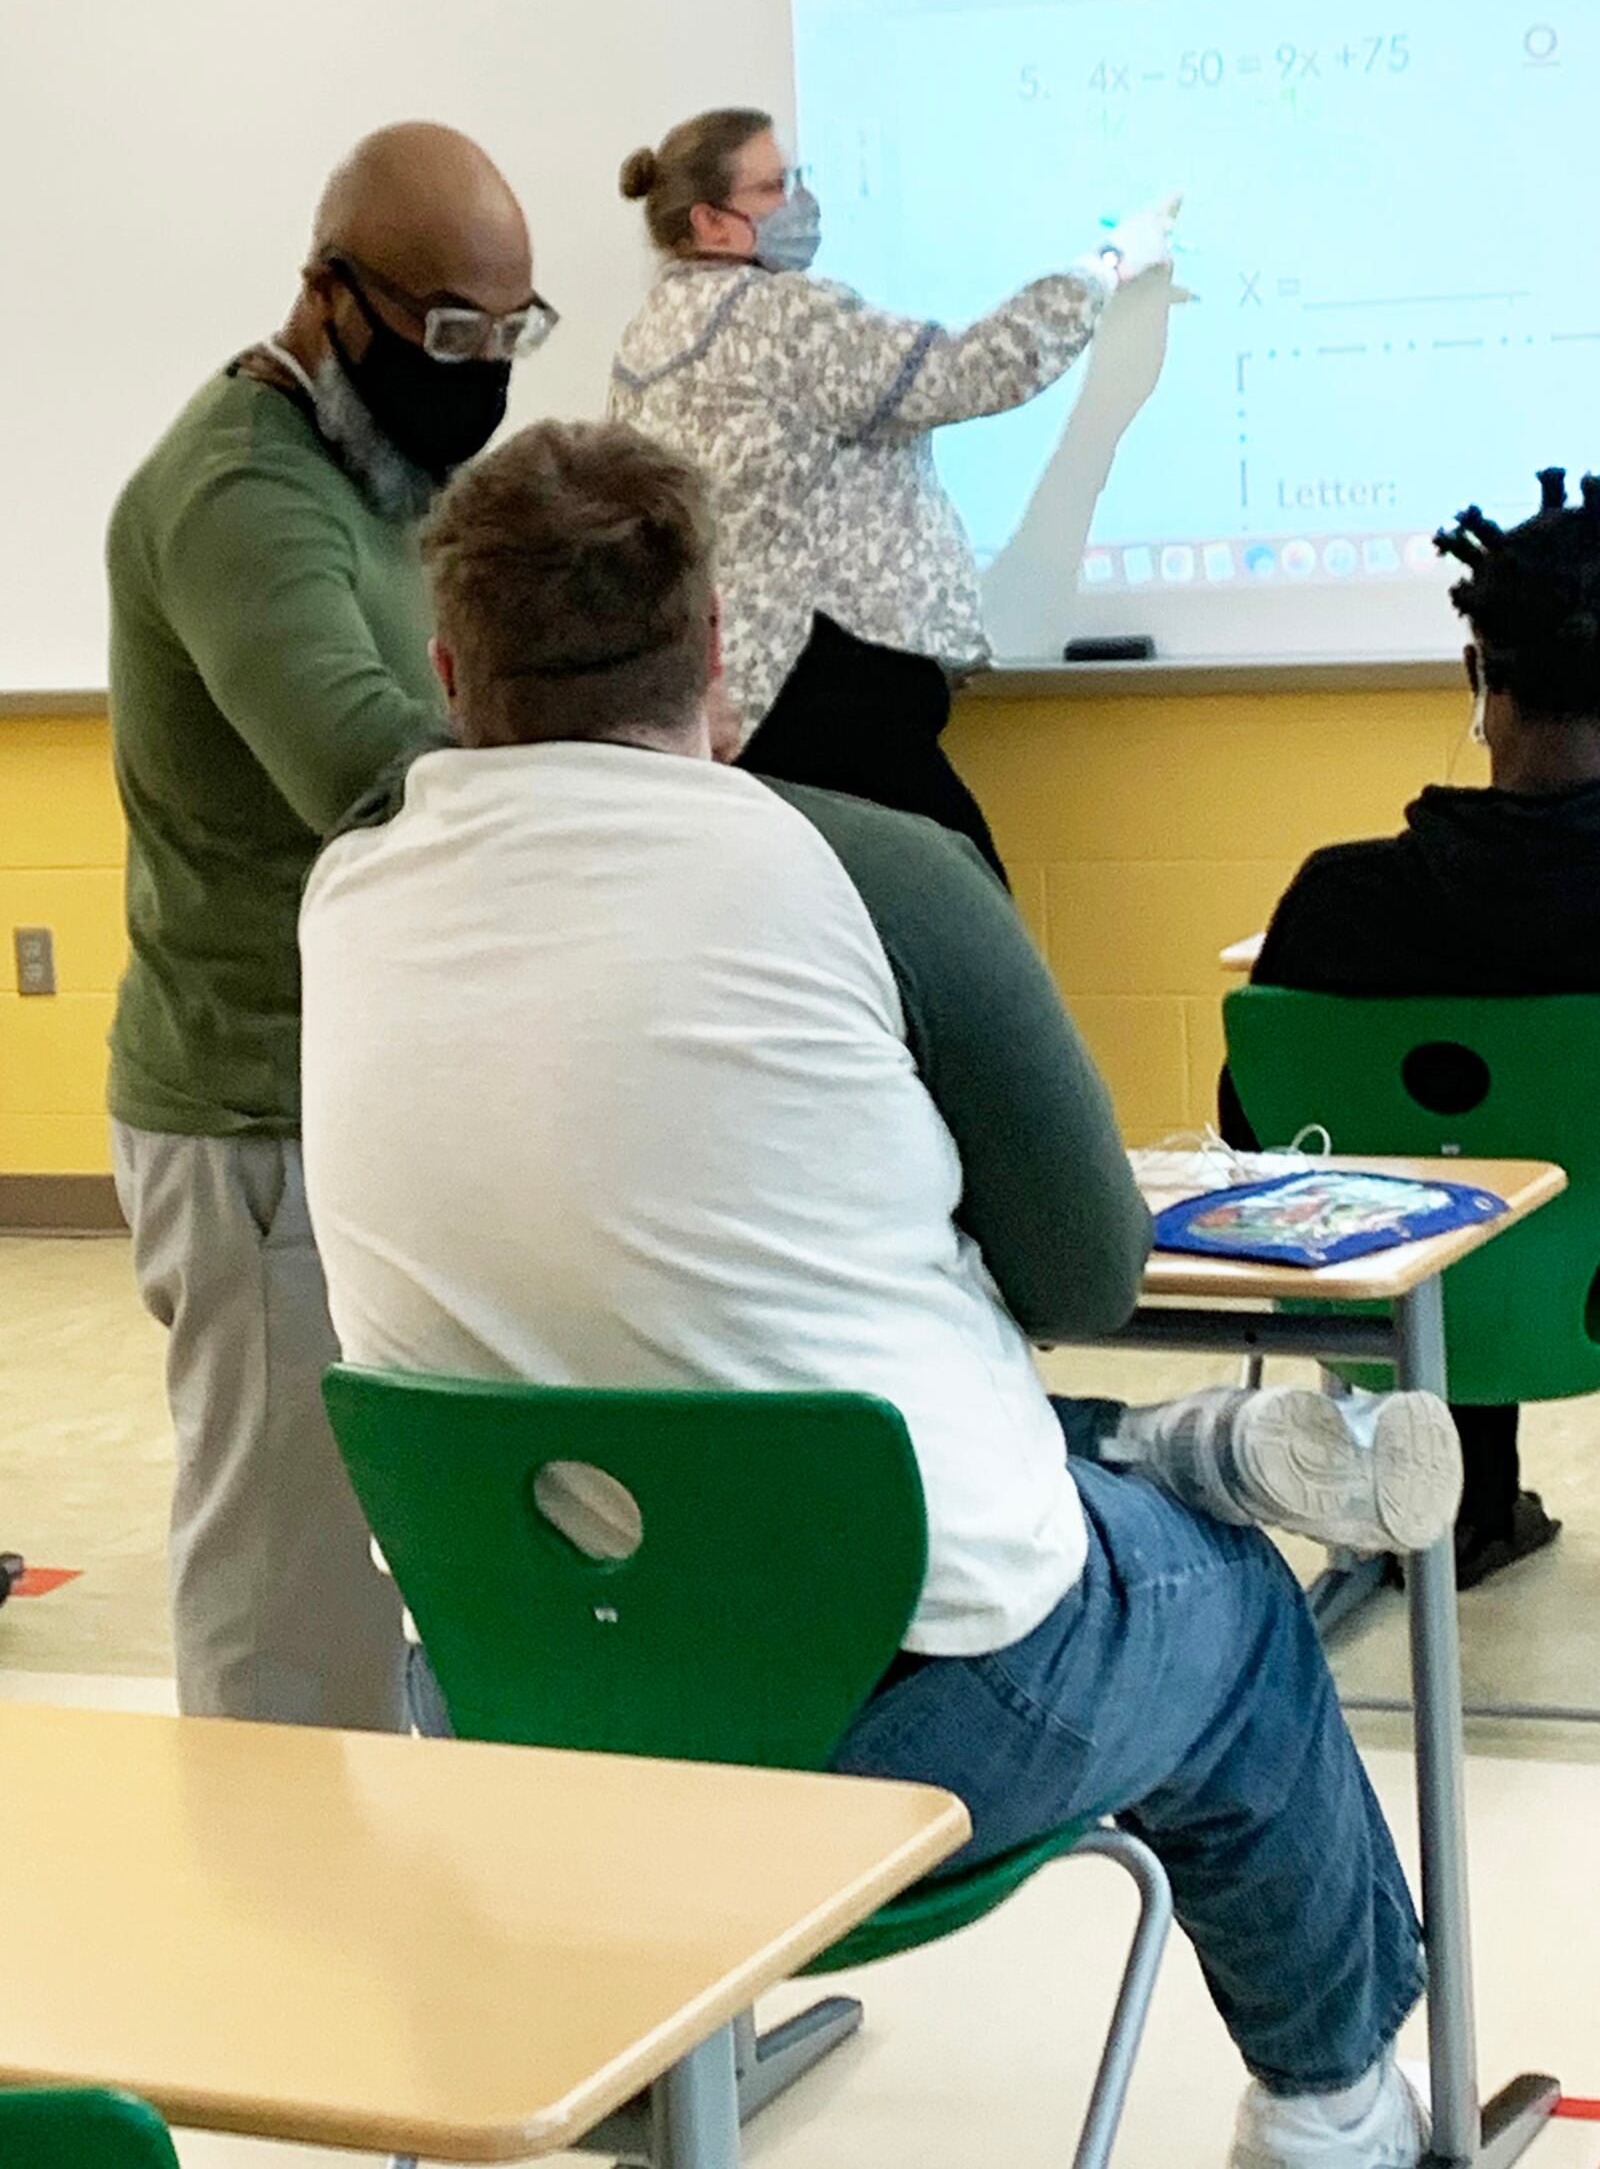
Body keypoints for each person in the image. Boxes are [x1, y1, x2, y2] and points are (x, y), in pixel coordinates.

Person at [299, 419, 1463, 2166]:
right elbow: (1084, 1267)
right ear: (715, 657)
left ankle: (1158, 1457)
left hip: (522, 1705)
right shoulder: (866, 867)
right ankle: (1335, 2107)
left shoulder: (350, 897)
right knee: (1233, 1614)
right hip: (910, 1718)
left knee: (786, 1401)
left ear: (452, 669)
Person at [106, 121, 554, 1729]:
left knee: (419, 1547)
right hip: (253, 1113)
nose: (483, 375)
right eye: (450, 336)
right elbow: (368, 768)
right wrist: (605, 795)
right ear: (329, 294)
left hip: (378, 1093)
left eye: (511, 336)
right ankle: (269, 1937)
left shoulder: (391, 468)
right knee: (282, 1575)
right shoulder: (240, 490)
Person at [609, 107, 1178, 880]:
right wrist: (1107, 266)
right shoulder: (781, 317)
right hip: (832, 683)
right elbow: (976, 367)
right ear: (711, 221)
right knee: (964, 912)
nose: (800, 202)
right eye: (776, 186)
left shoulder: (645, 340)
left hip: (739, 700)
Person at [1221, 466, 1600, 1590]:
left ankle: (1462, 1507)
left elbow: (1255, 1137)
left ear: (1478, 674)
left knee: (1447, 1182)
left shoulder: (1339, 902)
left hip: (1402, 1308)